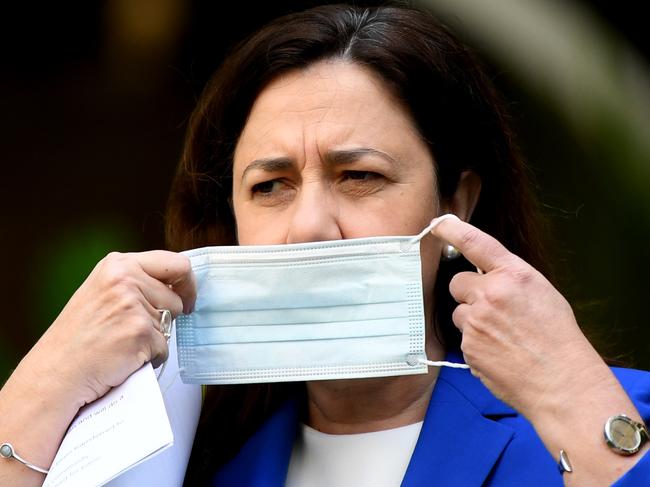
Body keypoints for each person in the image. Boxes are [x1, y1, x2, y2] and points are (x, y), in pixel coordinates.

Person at [1, 3, 648, 486]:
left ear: (458, 203)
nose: (309, 225)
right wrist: (42, 384)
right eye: (270, 185)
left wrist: (578, 401)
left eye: (360, 175)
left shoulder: (617, 412)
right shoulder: (169, 456)